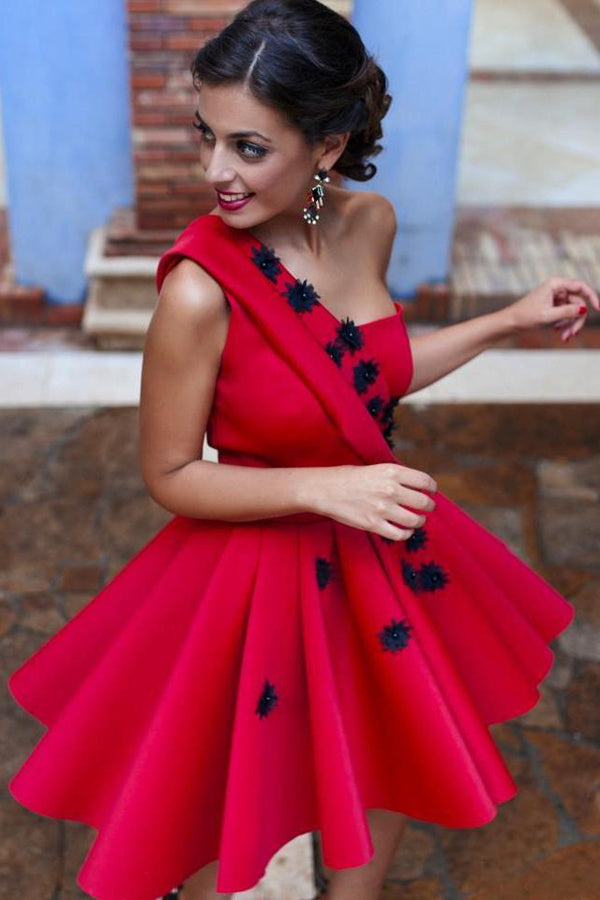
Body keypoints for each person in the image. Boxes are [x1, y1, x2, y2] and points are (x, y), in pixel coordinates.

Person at [7, 2, 598, 899]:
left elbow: (368, 376)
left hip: (370, 548)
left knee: (388, 750)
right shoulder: (199, 294)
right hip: (254, 566)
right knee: (222, 803)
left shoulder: (371, 224)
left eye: (248, 147)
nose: (215, 171)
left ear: (328, 146)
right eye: (207, 136)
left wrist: (506, 320)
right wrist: (326, 490)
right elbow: (169, 475)